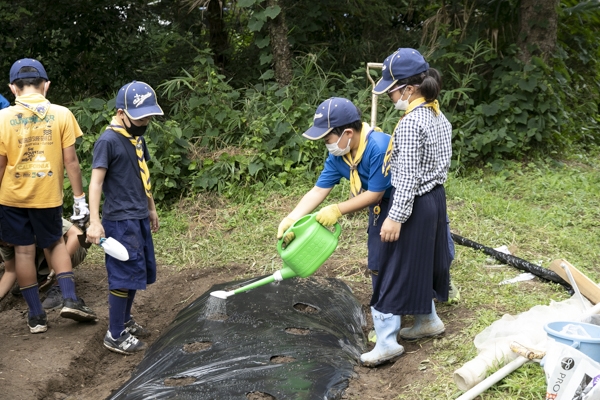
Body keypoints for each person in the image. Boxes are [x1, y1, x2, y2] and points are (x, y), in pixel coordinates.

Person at [360, 48, 453, 366]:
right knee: (422, 261)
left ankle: (386, 341)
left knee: (394, 267)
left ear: (410, 89)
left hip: (412, 202)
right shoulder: (437, 114)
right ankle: (427, 320)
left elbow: (409, 175)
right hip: (435, 199)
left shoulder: (412, 123)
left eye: (392, 90)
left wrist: (396, 217)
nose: (389, 96)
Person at [276, 96, 393, 326]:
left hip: (401, 204)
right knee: (378, 259)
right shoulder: (339, 156)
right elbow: (319, 191)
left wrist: (338, 209)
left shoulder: (378, 147)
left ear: (348, 133)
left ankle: (425, 298)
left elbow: (375, 194)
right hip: (379, 208)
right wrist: (292, 218)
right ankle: (385, 313)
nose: (325, 144)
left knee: (409, 255)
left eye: (327, 138)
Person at [0, 58, 96, 334]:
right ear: (46, 86)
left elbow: (1, 164)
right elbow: (72, 162)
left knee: (23, 252)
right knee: (54, 245)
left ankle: (36, 317)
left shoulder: (3, 118)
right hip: (47, 197)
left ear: (13, 89)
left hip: (11, 198)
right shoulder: (62, 114)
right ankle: (69, 298)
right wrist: (79, 200)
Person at [86, 81, 162, 355]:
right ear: (121, 113)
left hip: (138, 215)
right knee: (123, 275)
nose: (146, 122)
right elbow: (95, 183)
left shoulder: (137, 138)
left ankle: (125, 320)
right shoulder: (108, 141)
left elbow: (144, 175)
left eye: (149, 117)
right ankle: (115, 334)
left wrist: (151, 207)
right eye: (141, 117)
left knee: (136, 272)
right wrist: (95, 221)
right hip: (119, 220)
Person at [0, 218, 89, 307]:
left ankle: (58, 286)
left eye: (5, 242)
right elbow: (10, 271)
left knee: (46, 237)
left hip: (73, 247)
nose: (5, 245)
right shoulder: (4, 241)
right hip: (41, 255)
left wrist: (59, 265)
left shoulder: (36, 217)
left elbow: (76, 234)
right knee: (22, 253)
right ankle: (41, 278)